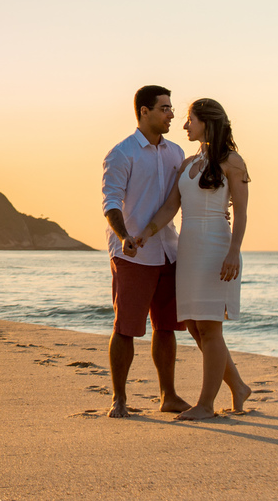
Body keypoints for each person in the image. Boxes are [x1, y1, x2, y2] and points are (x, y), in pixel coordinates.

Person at [140, 98, 252, 420]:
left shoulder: (233, 161)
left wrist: (234, 252)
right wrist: (145, 233)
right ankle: (239, 387)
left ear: (207, 122)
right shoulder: (188, 163)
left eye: (190, 119)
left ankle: (205, 405)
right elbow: (170, 208)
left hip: (217, 248)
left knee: (210, 327)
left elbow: (242, 212)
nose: (184, 125)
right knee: (192, 324)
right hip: (188, 250)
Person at [100, 85, 190, 418]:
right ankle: (119, 398)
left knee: (166, 327)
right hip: (132, 253)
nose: (171, 115)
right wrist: (124, 236)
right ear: (144, 112)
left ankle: (168, 395)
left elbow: (181, 199)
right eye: (165, 108)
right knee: (126, 327)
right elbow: (110, 203)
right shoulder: (122, 153)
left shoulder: (176, 153)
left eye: (171, 109)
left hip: (169, 249)